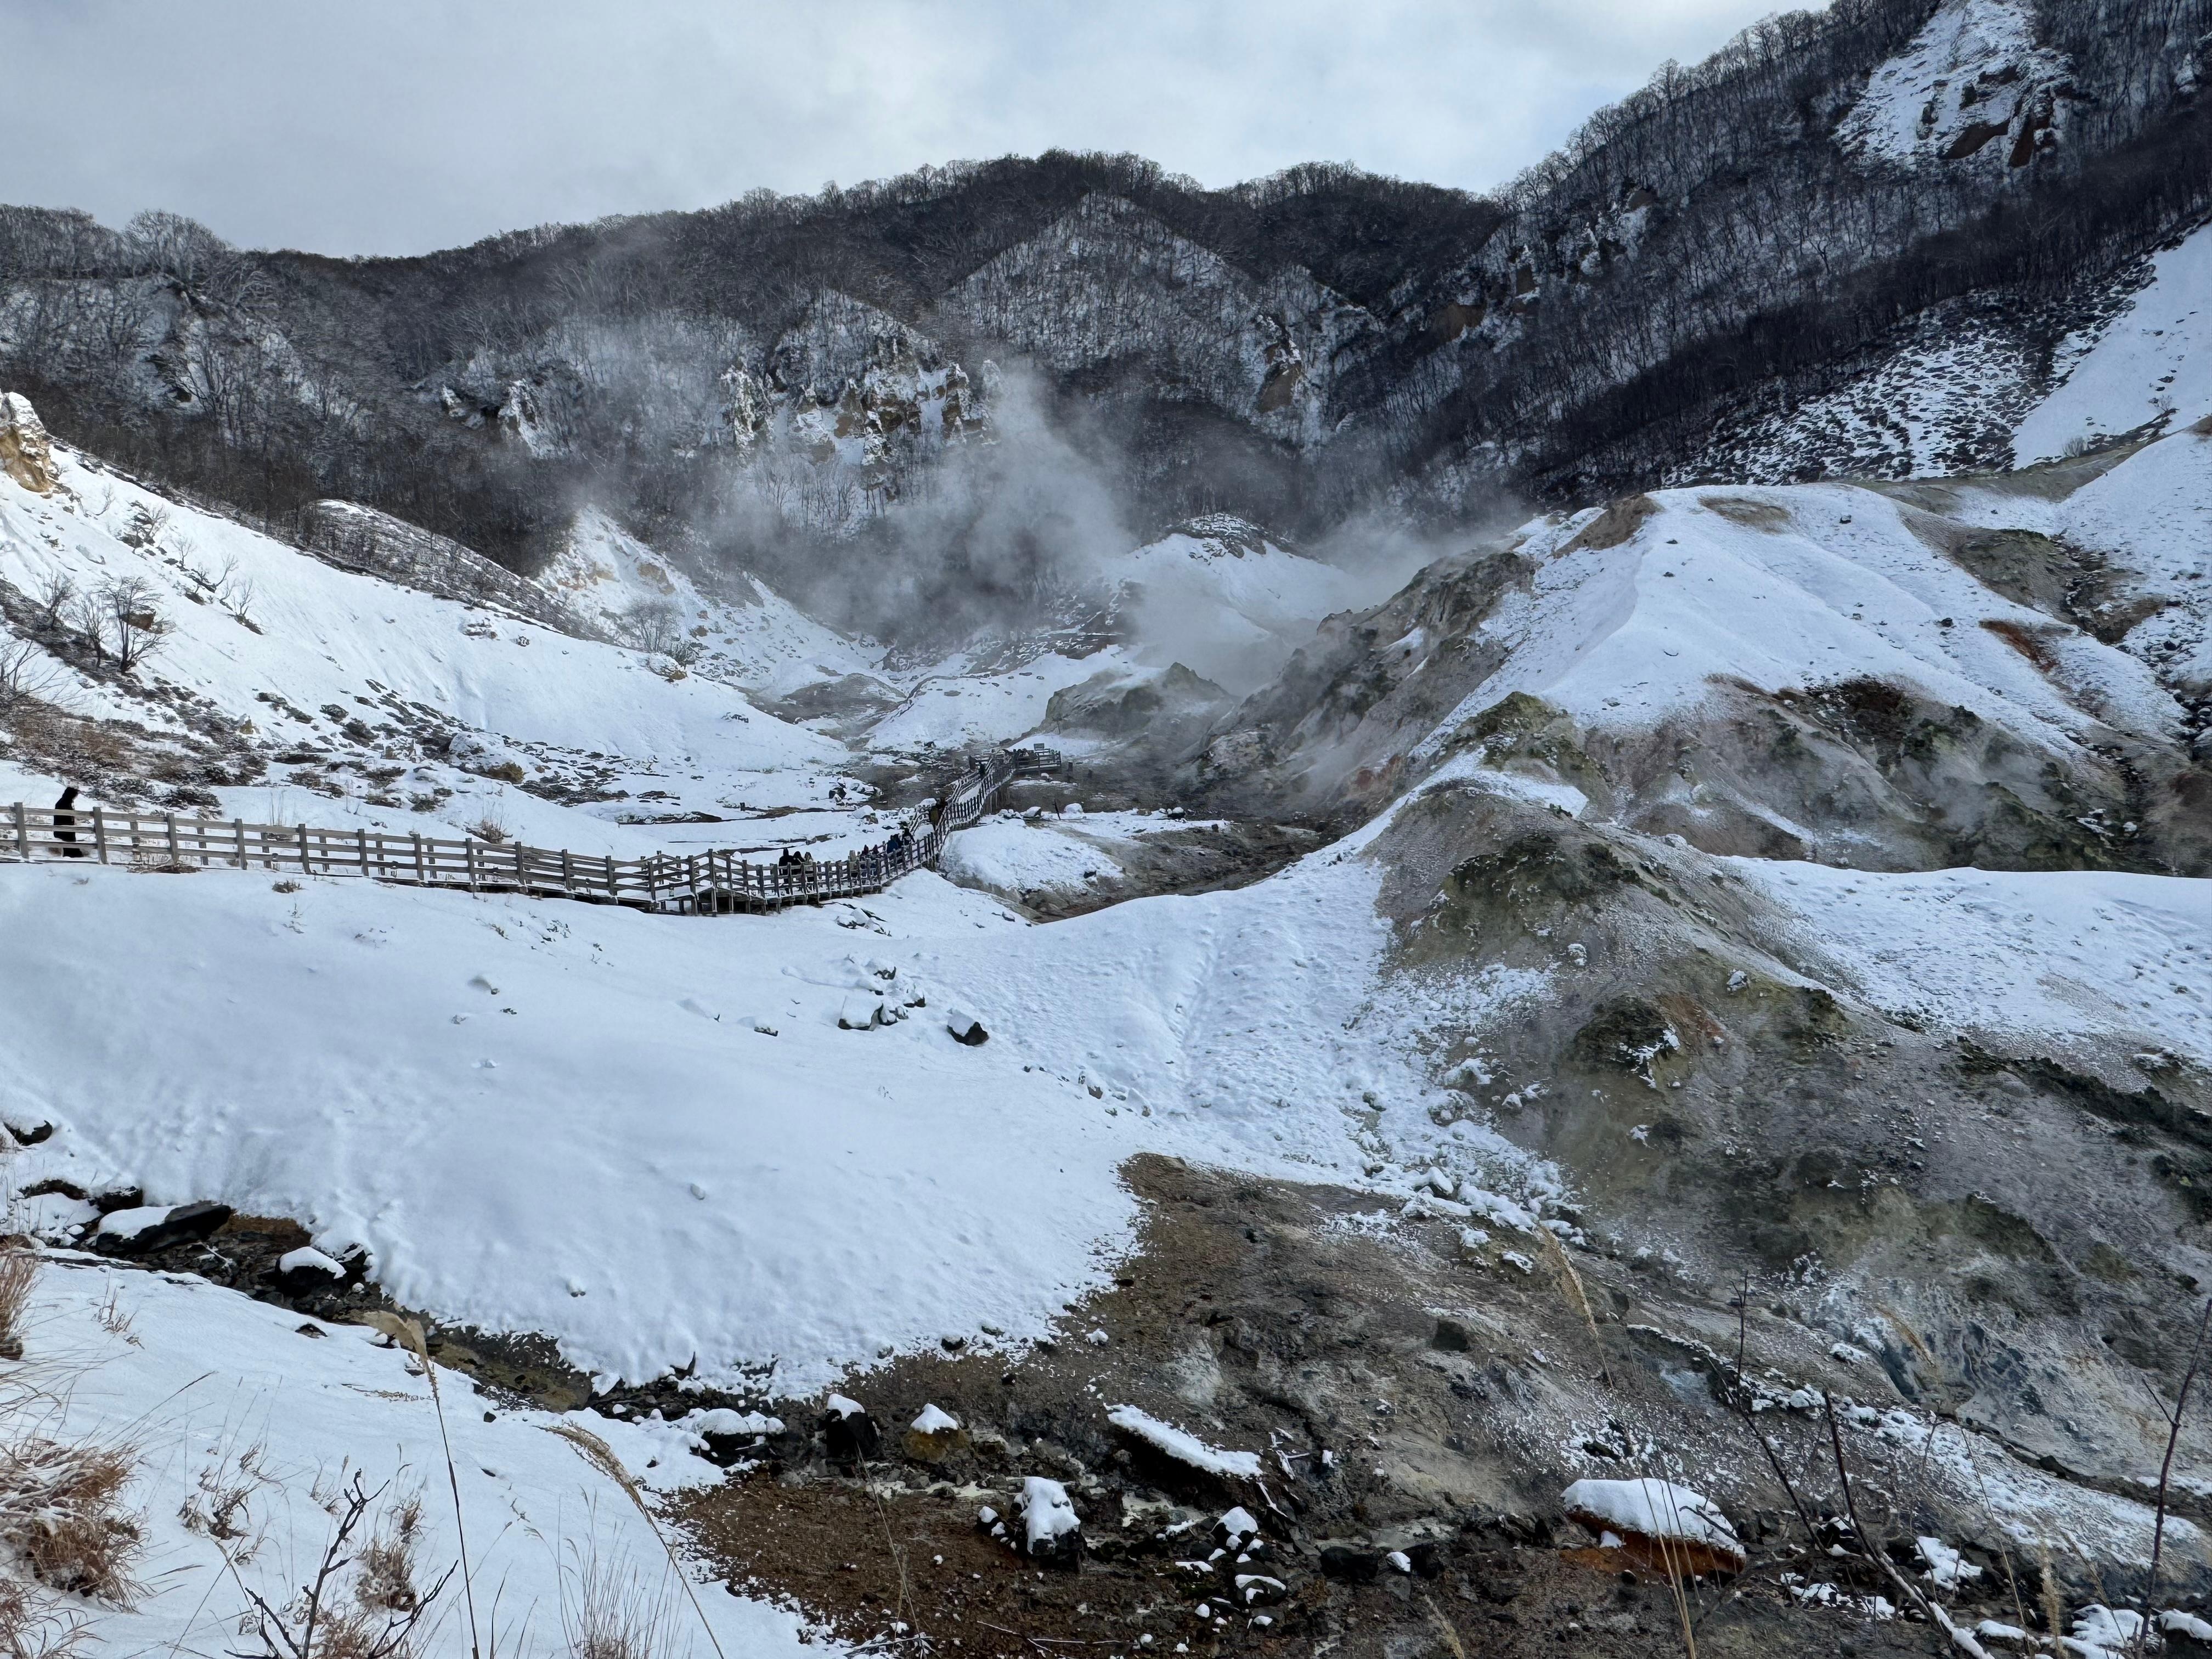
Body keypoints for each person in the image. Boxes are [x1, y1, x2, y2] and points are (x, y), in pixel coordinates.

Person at [52, 785, 84, 857]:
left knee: (69, 842)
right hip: (64, 828)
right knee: (68, 843)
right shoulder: (64, 803)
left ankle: (73, 855)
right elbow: (64, 816)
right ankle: (73, 856)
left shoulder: (64, 802)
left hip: (66, 828)